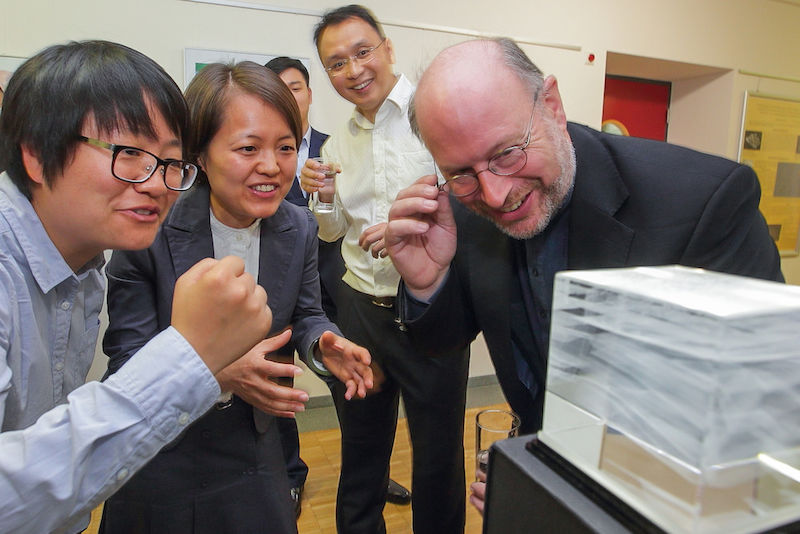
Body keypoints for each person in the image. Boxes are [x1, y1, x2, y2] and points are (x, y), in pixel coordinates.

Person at [384, 37, 784, 515]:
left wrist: (573, 488)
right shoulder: (463, 203)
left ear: (551, 104)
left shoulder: (705, 201)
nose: (494, 194)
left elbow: (758, 414)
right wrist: (428, 285)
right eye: (462, 173)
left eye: (508, 153)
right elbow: (448, 338)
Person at [0, 40, 271, 534]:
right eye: (129, 154)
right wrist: (189, 353)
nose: (156, 183)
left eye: (169, 162)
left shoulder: (84, 263)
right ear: (37, 155)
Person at [98, 62, 373, 534]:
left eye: (285, 147)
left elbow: (305, 313)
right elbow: (127, 356)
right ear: (201, 154)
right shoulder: (153, 226)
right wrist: (220, 374)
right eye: (248, 148)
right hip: (160, 447)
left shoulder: (299, 227)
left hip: (255, 446)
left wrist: (322, 342)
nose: (271, 166)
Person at [301, 5, 469, 533]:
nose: (352, 70)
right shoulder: (338, 143)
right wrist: (324, 199)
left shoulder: (439, 115)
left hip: (431, 313)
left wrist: (411, 228)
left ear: (387, 48)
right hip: (360, 312)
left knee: (439, 458)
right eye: (335, 63)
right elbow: (332, 234)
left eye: (362, 52)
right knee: (361, 452)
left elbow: (473, 203)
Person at [265, 55, 410, 513]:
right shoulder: (261, 152)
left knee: (356, 402)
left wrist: (324, 200)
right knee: (280, 390)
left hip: (337, 295)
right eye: (277, 88)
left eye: (296, 86)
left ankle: (373, 472)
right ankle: (290, 476)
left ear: (310, 92)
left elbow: (337, 228)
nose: (289, 96)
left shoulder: (338, 146)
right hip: (279, 297)